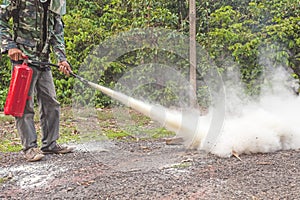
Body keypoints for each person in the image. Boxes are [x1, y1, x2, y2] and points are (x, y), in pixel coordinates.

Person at [0, 0, 74, 162]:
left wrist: (62, 59)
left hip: (43, 60)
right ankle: (29, 147)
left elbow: (57, 33)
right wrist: (10, 46)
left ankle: (50, 144)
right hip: (24, 60)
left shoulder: (56, 3)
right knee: (25, 104)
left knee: (51, 102)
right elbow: (1, 20)